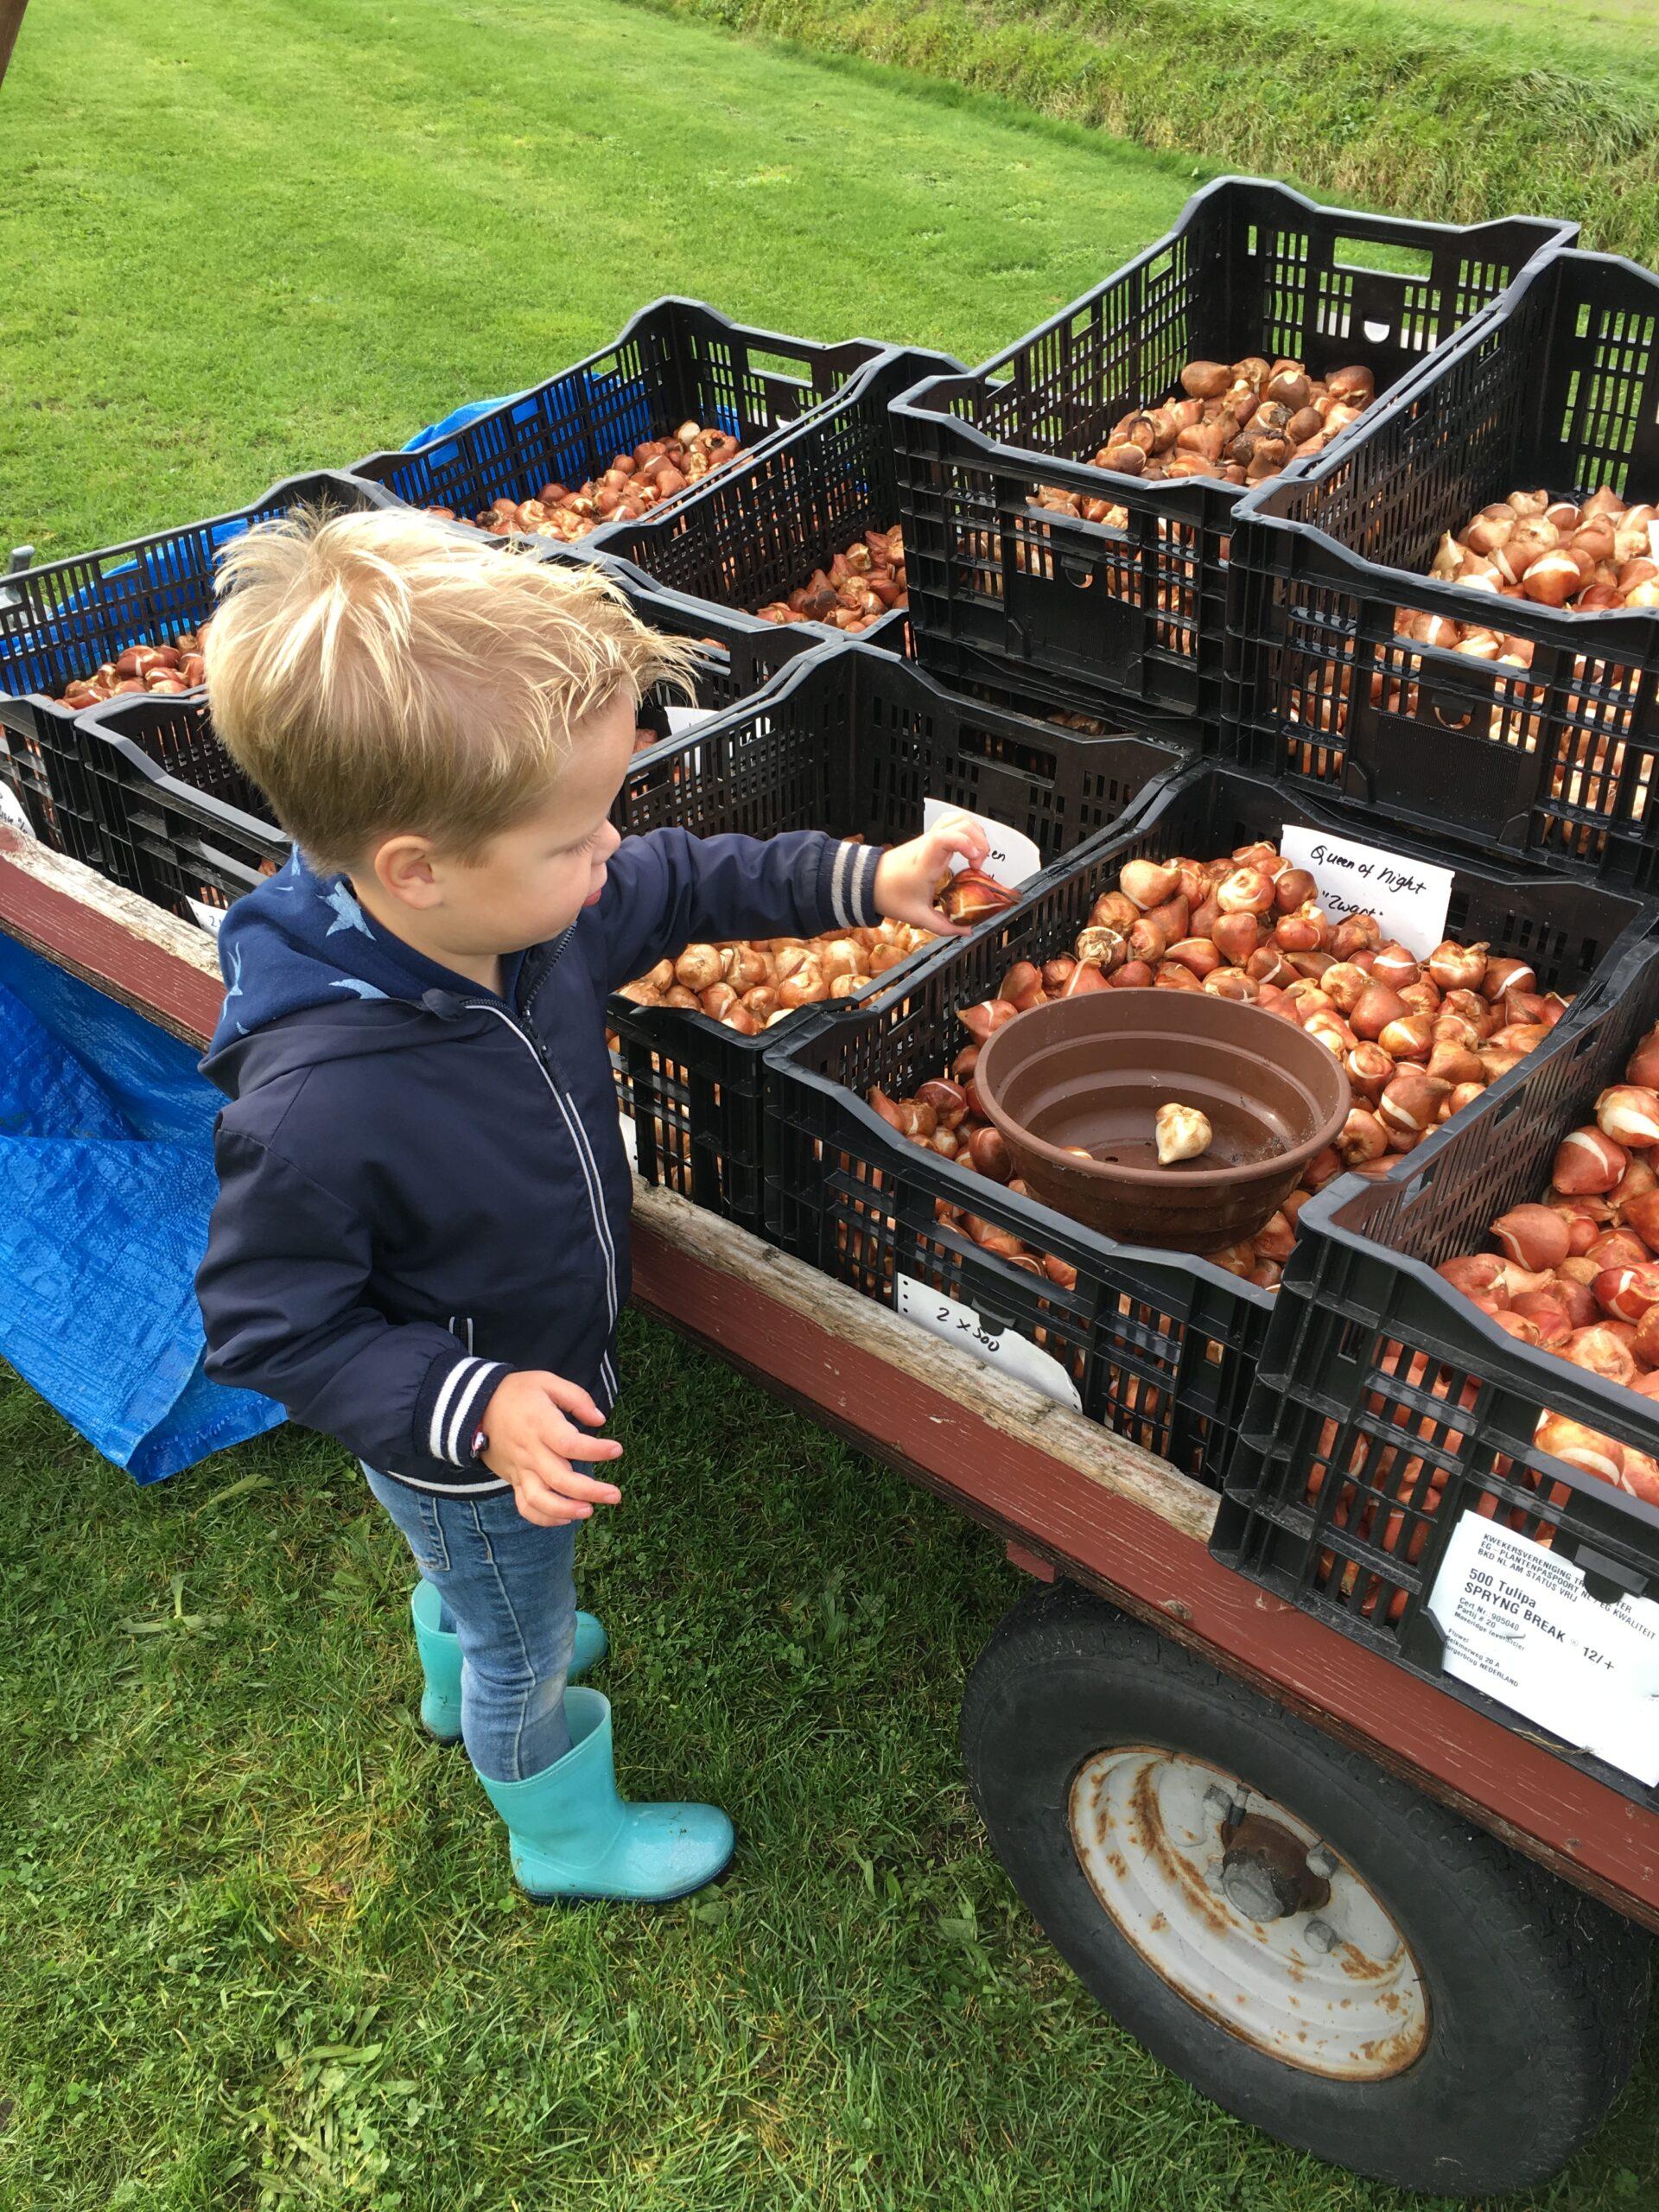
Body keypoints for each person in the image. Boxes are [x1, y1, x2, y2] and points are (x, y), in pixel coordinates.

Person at [194, 507, 988, 1904]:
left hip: (511, 1389)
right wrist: (478, 1408)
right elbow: (273, 1327)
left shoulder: (519, 913)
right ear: (413, 868)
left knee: (485, 1591)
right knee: (528, 1636)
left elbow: (684, 880)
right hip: (475, 1437)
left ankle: (461, 1656)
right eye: (574, 836)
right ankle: (559, 1829)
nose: (612, 851)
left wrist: (863, 879)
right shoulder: (320, 1106)